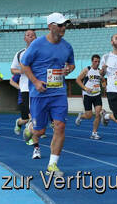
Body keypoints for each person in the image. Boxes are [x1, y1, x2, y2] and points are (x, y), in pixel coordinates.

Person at [20, 13, 75, 175]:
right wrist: (36, 82)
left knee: (60, 126)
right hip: (39, 95)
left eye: (65, 24)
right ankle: (31, 127)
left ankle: (52, 165)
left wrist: (68, 70)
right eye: (60, 25)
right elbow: (24, 65)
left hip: (58, 93)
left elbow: (71, 65)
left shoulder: (67, 46)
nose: (63, 28)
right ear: (50, 26)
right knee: (40, 132)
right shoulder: (37, 44)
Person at [10, 30, 37, 141]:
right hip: (26, 88)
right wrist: (22, 71)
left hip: (39, 86)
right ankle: (33, 141)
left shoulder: (42, 52)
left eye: (32, 35)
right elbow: (12, 70)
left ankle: (25, 126)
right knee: (31, 116)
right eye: (28, 35)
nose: (30, 37)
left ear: (36, 38)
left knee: (32, 117)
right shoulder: (20, 54)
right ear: (24, 39)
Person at [74, 54, 106, 140]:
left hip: (97, 94)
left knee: (98, 114)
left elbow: (103, 81)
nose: (97, 63)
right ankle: (81, 116)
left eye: (98, 62)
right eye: (95, 61)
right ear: (92, 61)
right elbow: (77, 80)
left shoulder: (100, 72)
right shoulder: (87, 70)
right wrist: (85, 88)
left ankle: (94, 133)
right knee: (89, 116)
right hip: (87, 95)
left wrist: (104, 85)